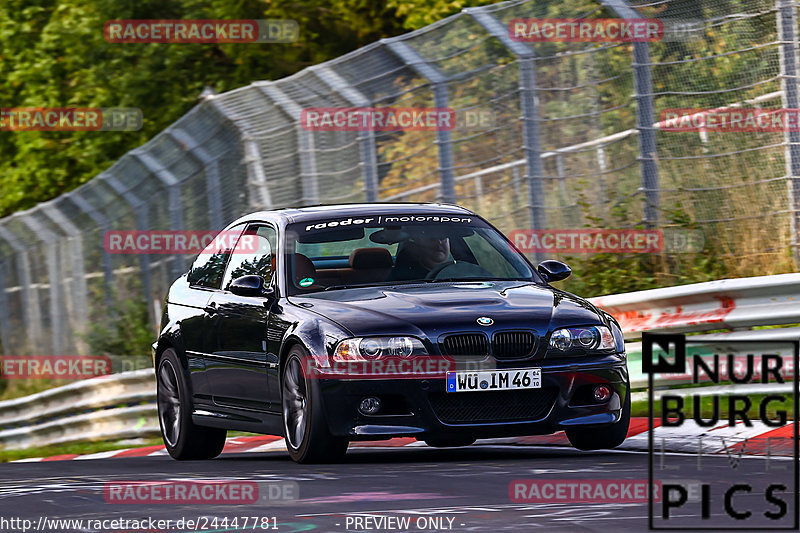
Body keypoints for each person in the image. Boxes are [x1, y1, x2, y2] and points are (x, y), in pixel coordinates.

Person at [387, 229, 452, 281]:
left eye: (443, 238)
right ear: (417, 245)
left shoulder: (458, 274)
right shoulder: (402, 279)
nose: (439, 243)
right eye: (432, 239)